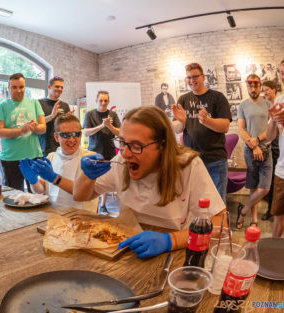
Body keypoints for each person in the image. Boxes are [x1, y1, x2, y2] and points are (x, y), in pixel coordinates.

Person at [73, 106, 226, 258]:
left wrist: (171, 240)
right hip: (127, 246)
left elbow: (221, 223)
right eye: (122, 142)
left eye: (136, 145)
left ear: (162, 145)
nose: (125, 153)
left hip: (174, 251)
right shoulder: (121, 161)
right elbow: (81, 196)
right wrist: (87, 176)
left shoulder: (188, 165)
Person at [172, 62, 231, 202]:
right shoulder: (183, 99)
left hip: (215, 160)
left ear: (203, 77)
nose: (192, 80)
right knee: (194, 202)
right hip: (192, 160)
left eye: (195, 77)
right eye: (188, 77)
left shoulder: (217, 97)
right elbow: (177, 129)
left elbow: (225, 126)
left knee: (217, 202)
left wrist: (206, 121)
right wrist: (181, 122)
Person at [19, 114, 98, 212]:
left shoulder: (91, 159)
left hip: (82, 217)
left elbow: (85, 192)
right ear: (56, 137)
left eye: (76, 134)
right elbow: (41, 189)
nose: (71, 139)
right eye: (65, 135)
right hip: (54, 214)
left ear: (81, 135)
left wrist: (54, 178)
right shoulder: (51, 157)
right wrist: (33, 181)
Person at [0, 73, 46, 191]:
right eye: (14, 87)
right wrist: (21, 131)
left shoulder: (34, 103)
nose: (18, 90)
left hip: (33, 157)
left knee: (37, 195)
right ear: (8, 88)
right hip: (10, 159)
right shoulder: (2, 106)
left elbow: (43, 128)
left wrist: (34, 128)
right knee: (13, 197)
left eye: (21, 87)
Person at [236, 74, 272, 229]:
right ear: (247, 86)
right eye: (250, 85)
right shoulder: (243, 106)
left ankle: (242, 211)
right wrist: (254, 146)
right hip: (250, 152)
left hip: (267, 150)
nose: (253, 87)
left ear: (260, 85)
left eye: (256, 85)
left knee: (264, 188)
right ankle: (254, 218)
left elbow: (272, 128)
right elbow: (241, 129)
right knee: (253, 186)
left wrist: (258, 139)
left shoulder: (268, 104)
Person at [83, 90, 121, 213]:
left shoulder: (112, 115)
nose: (103, 103)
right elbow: (86, 132)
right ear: (96, 100)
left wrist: (109, 125)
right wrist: (101, 126)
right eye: (101, 100)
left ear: (108, 101)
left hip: (109, 151)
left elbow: (120, 132)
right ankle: (93, 206)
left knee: (105, 179)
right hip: (93, 151)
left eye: (105, 100)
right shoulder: (90, 114)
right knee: (92, 179)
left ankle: (103, 205)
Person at [266, 59, 284, 238]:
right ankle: (272, 258)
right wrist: (273, 119)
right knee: (278, 216)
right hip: (282, 170)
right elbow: (271, 136)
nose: (283, 76)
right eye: (281, 72)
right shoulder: (279, 99)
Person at [38, 76, 71, 156]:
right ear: (49, 87)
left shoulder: (64, 105)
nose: (59, 89)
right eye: (57, 86)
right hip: (44, 149)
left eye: (61, 87)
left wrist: (69, 121)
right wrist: (52, 116)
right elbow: (37, 123)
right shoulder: (39, 103)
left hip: (62, 149)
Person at [262, 80, 278, 221]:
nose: (265, 92)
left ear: (274, 90)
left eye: (267, 89)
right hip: (271, 147)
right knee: (272, 181)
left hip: (279, 147)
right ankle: (270, 210)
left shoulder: (279, 103)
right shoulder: (266, 105)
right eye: (264, 90)